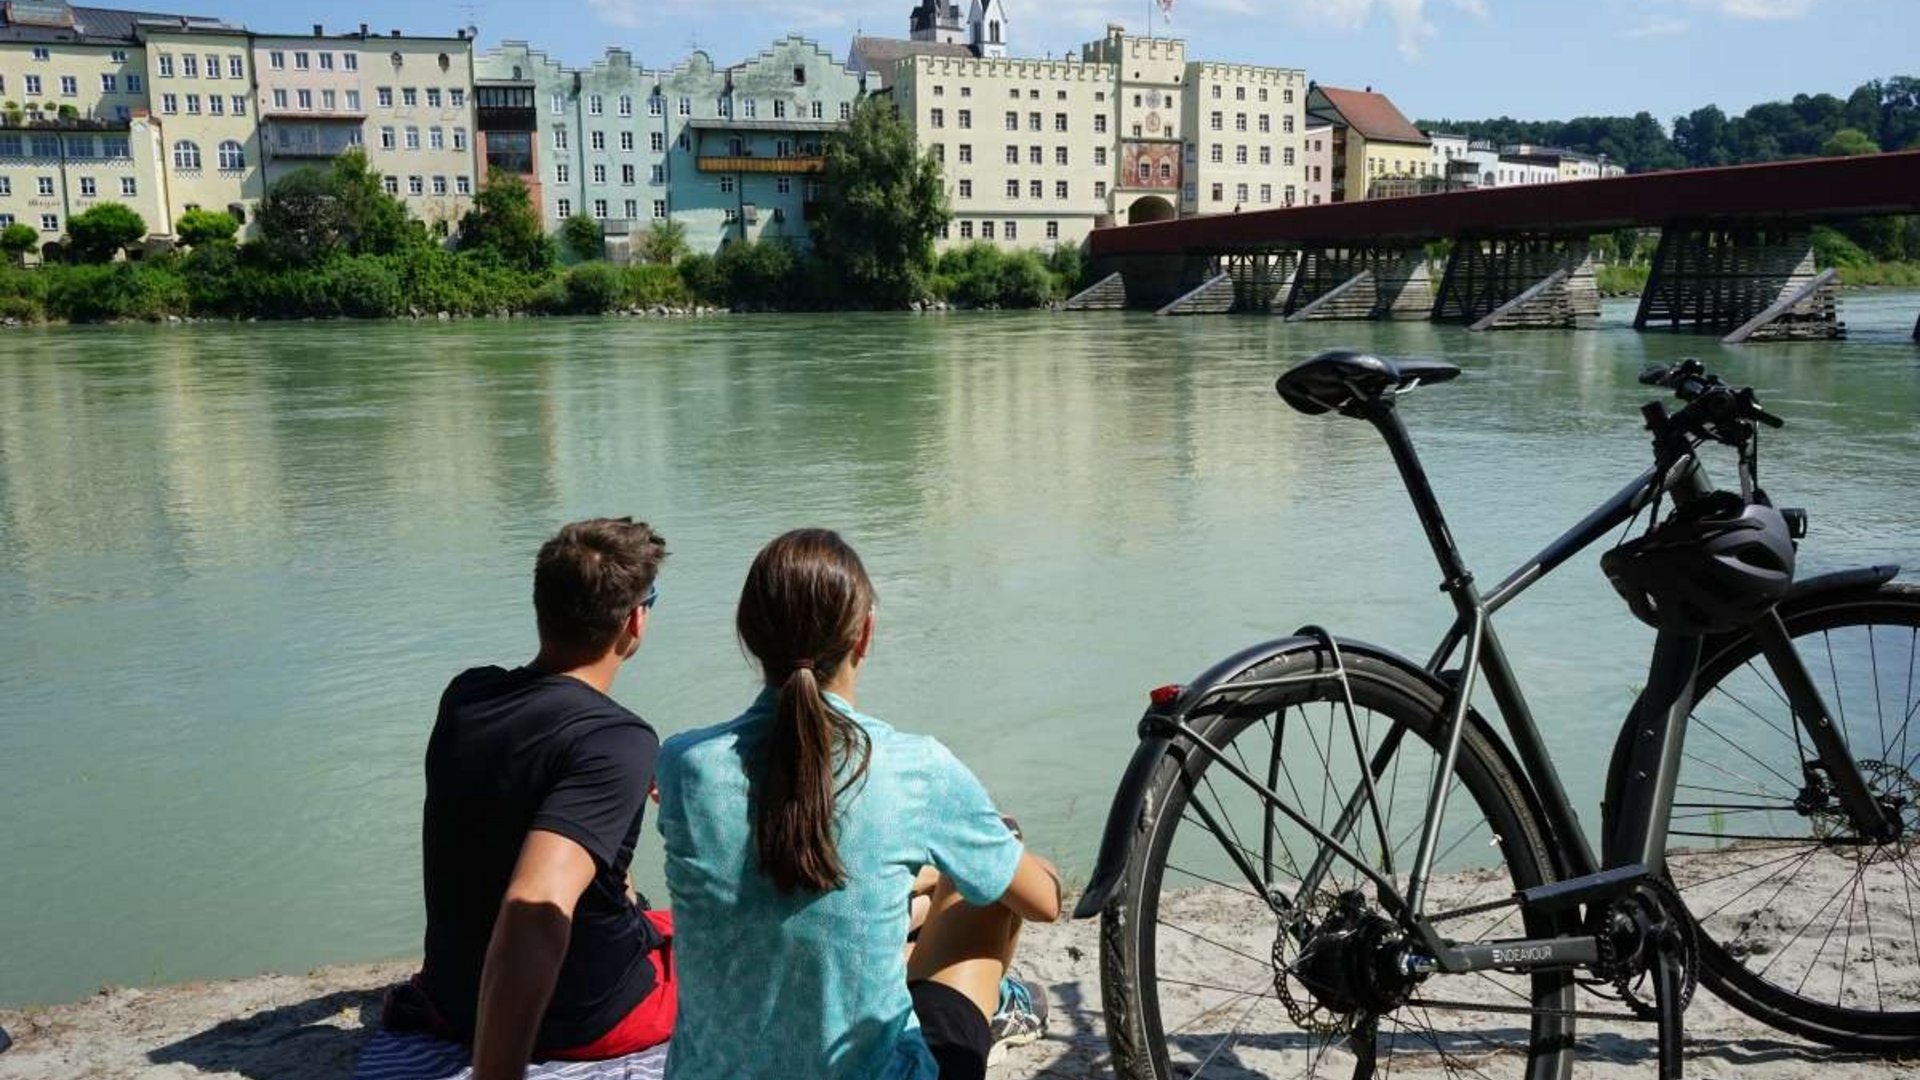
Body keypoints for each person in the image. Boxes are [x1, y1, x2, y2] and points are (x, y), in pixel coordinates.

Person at [656, 528, 1061, 1080]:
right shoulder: (916, 768)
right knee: (998, 860)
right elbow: (1042, 903)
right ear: (865, 634)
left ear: (748, 636)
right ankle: (996, 1011)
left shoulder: (684, 765)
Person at [399, 517, 676, 1080]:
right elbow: (534, 907)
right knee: (738, 943)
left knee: (648, 912)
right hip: (582, 1018)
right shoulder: (616, 739)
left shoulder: (468, 696)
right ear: (635, 620)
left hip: (453, 999)